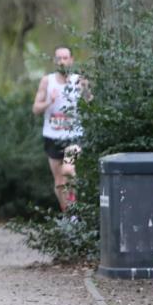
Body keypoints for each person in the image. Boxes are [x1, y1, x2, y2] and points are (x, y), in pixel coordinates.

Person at [32, 45, 90, 212]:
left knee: (68, 169)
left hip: (74, 136)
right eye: (59, 58)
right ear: (54, 61)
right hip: (52, 136)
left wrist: (85, 91)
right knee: (59, 183)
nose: (62, 61)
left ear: (71, 60)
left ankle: (74, 212)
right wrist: (50, 101)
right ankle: (68, 214)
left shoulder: (79, 80)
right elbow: (36, 108)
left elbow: (91, 103)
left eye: (65, 58)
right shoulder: (47, 81)